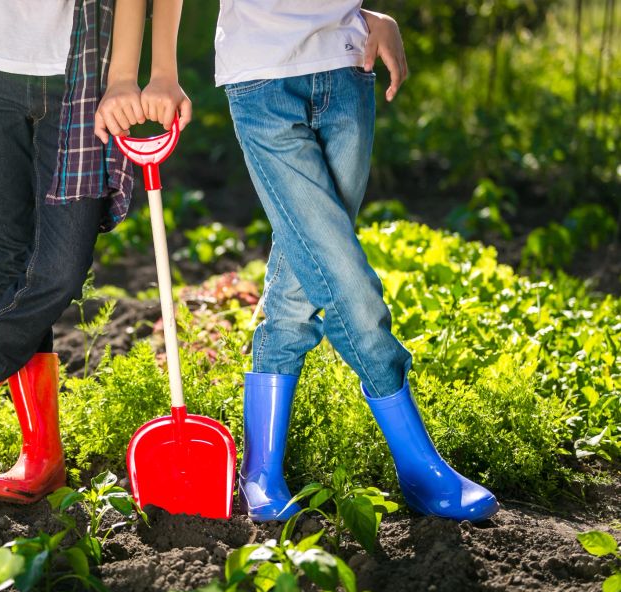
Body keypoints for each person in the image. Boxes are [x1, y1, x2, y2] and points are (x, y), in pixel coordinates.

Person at [0, 0, 190, 510]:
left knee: (58, 272)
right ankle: (42, 454)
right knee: (9, 274)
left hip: (76, 80)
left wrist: (153, 71)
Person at [214, 3, 500, 522]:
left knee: (300, 284)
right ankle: (419, 464)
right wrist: (158, 69)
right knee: (346, 282)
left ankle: (261, 469)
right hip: (262, 80)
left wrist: (372, 15)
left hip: (347, 71)